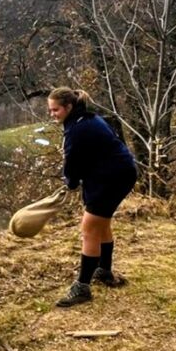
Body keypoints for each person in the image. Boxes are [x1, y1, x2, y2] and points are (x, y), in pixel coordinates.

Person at [47, 88, 137, 307]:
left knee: (89, 229)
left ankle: (82, 288)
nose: (52, 114)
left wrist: (70, 181)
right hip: (116, 173)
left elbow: (72, 163)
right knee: (101, 223)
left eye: (55, 110)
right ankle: (104, 271)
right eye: (50, 110)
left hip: (112, 177)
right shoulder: (84, 119)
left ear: (68, 107)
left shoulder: (78, 129)